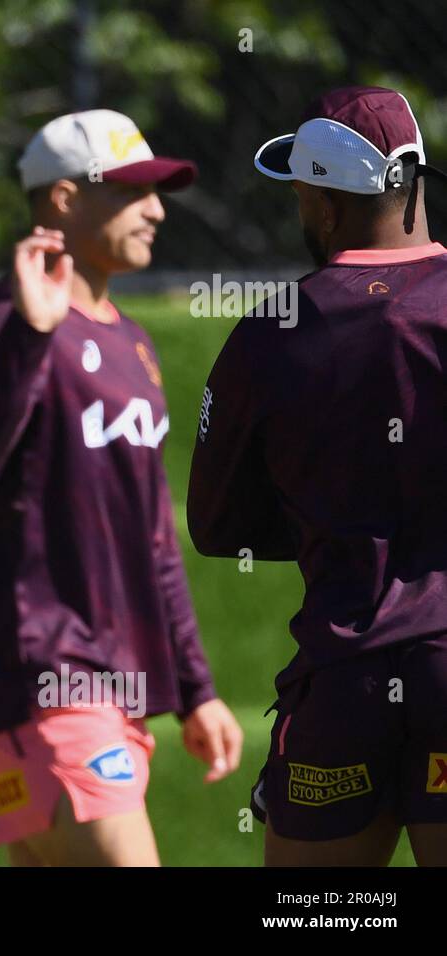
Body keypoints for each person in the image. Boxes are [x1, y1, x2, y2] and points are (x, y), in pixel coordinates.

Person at [0, 110, 242, 866]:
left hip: (108, 686)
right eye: (134, 191)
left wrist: (195, 688)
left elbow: (155, 533)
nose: (157, 210)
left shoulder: (132, 338)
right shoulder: (9, 318)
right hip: (46, 676)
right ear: (64, 199)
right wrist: (29, 338)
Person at [188, 86, 447, 867]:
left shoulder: (271, 332)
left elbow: (217, 527)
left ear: (326, 206)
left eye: (302, 195)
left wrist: (334, 520)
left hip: (341, 683)